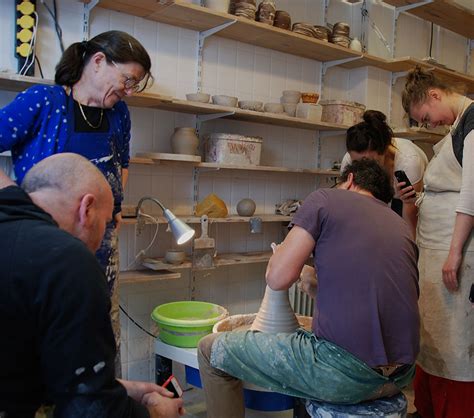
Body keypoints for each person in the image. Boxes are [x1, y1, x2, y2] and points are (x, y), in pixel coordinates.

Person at [197, 158, 420, 418]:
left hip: (346, 374)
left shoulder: (325, 199)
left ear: (349, 181)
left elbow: (277, 278)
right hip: (402, 374)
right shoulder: (398, 224)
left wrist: (280, 257)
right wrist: (312, 281)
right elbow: (378, 295)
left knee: (210, 350)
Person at [0, 30, 153, 374]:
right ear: (98, 62)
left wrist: (114, 206)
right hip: (43, 245)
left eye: (134, 85)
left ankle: (103, 399)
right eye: (127, 80)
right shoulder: (43, 101)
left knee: (99, 332)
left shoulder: (120, 114)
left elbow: (122, 162)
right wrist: (14, 200)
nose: (129, 91)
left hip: (101, 243)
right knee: (47, 337)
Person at [0, 153, 184, 418]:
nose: (104, 238)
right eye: (108, 222)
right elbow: (91, 412)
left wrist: (118, 387)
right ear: (87, 209)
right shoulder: (66, 259)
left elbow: (27, 368)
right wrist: (156, 413)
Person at [400, 66, 474, 418]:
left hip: (456, 253)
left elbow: (472, 195)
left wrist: (454, 254)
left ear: (435, 95)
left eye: (426, 117)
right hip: (435, 251)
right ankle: (430, 407)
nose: (428, 125)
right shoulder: (456, 127)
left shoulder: (473, 124)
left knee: (455, 345)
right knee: (432, 340)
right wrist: (413, 197)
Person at [341, 110, 428, 235]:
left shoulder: (409, 162)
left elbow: (411, 222)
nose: (364, 168)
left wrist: (409, 251)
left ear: (384, 150)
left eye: (370, 162)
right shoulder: (349, 160)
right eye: (358, 163)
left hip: (406, 204)